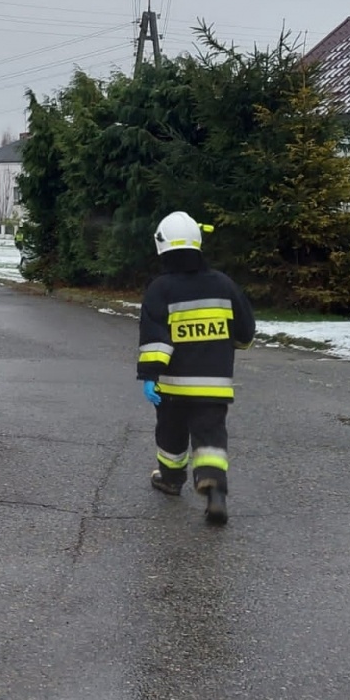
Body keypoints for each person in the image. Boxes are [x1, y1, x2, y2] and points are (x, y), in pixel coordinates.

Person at [136, 211, 255, 526]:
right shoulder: (224, 284)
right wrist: (236, 346)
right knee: (210, 436)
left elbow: (155, 339)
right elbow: (245, 330)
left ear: (162, 247)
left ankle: (171, 480)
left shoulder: (160, 289)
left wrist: (149, 376)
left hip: (173, 387)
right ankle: (214, 489)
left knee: (171, 434)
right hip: (214, 386)